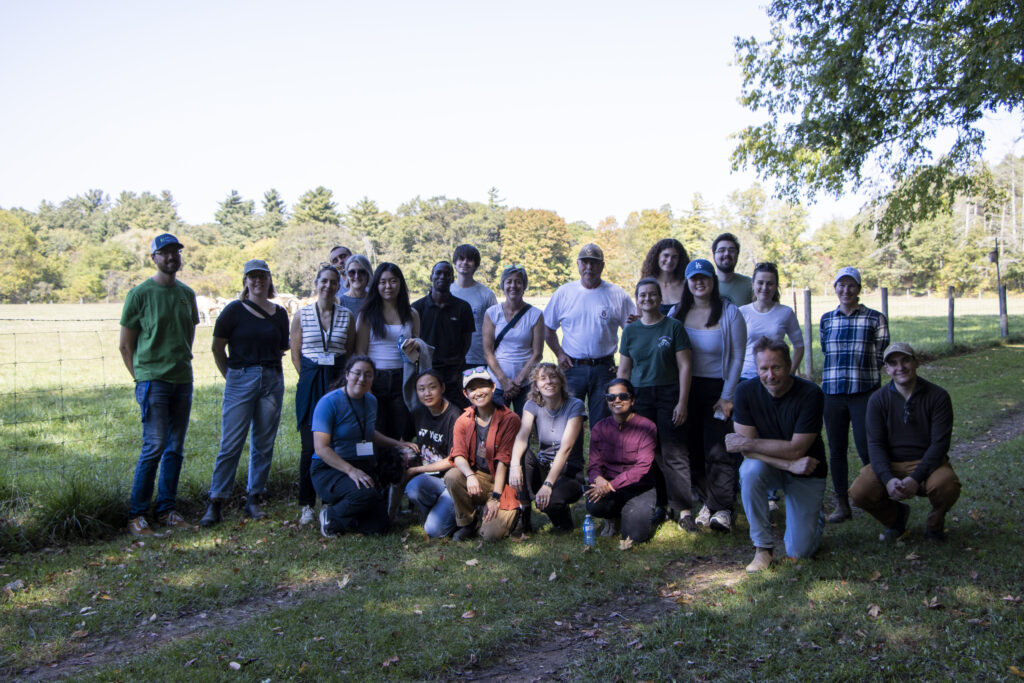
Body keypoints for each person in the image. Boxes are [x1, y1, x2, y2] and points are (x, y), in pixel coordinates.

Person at [118, 233, 199, 537]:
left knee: (175, 448)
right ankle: (136, 515)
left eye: (175, 251)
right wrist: (141, 378)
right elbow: (126, 346)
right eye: (164, 253)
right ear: (153, 258)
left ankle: (167, 510)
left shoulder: (186, 294)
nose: (171, 257)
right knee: (154, 446)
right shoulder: (140, 294)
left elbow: (188, 333)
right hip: (153, 382)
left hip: (182, 380)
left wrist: (182, 361)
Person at [200, 260, 290, 526]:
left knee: (263, 443)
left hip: (272, 380)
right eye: (252, 277)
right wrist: (232, 377)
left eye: (262, 276)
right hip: (241, 377)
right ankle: (216, 500)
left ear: (269, 280)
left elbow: (281, 348)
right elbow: (217, 349)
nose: (258, 281)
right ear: (245, 281)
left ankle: (254, 497)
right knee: (231, 443)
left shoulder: (280, 314)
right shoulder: (233, 311)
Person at [727, 338, 828, 572]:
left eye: (776, 367)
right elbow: (745, 449)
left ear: (789, 365)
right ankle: (763, 549)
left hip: (807, 469)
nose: (770, 375)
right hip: (782, 466)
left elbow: (797, 449)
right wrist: (788, 464)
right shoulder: (745, 391)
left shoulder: (811, 393)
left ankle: (814, 516)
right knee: (749, 470)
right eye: (764, 368)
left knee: (800, 552)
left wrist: (752, 444)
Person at [849, 343, 960, 541]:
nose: (900, 368)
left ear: (916, 362)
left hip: (928, 463)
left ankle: (935, 523)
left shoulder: (938, 396)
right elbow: (875, 444)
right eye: (893, 363)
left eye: (905, 360)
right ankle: (895, 518)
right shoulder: (877, 400)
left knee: (947, 484)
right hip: (891, 463)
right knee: (859, 491)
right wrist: (887, 478)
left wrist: (915, 478)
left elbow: (939, 445)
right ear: (887, 369)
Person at [671, 259, 746, 532]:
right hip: (686, 390)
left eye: (704, 278)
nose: (699, 282)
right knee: (692, 450)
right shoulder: (677, 314)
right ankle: (709, 503)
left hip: (718, 390)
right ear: (687, 283)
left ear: (713, 282)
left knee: (719, 449)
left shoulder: (730, 313)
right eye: (694, 278)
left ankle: (724, 508)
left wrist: (727, 396)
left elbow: (738, 356)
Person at [311, 356, 417, 536]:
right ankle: (331, 515)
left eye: (368, 375)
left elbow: (369, 433)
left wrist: (398, 443)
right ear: (347, 375)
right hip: (330, 468)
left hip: (360, 464)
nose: (362, 379)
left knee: (379, 527)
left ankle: (349, 511)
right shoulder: (328, 403)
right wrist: (350, 470)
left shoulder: (370, 400)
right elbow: (321, 449)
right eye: (357, 373)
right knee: (365, 494)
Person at [618, 278, 694, 530]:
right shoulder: (630, 331)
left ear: (660, 299)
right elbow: (625, 370)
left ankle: (683, 508)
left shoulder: (673, 327)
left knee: (675, 453)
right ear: (637, 300)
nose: (647, 299)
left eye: (652, 295)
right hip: (641, 397)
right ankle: (660, 504)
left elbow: (685, 366)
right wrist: (621, 403)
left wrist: (682, 401)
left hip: (670, 394)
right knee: (649, 454)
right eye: (642, 295)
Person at [820, 266, 890, 523]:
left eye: (851, 285)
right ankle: (842, 504)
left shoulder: (875, 318)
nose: (846, 290)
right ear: (835, 287)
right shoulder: (827, 319)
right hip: (833, 393)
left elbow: (881, 355)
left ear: (859, 289)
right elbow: (828, 352)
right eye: (841, 285)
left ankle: (877, 498)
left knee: (867, 447)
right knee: (836, 450)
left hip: (865, 392)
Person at [289, 263, 354, 526]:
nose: (328, 286)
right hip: (311, 382)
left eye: (333, 282)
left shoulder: (347, 316)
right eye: (323, 281)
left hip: (337, 383)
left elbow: (348, 353)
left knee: (336, 443)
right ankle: (306, 503)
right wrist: (309, 379)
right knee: (309, 447)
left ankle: (331, 497)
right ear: (316, 284)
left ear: (339, 285)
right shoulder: (301, 315)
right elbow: (296, 355)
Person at [544, 243, 635, 425]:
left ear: (602, 265)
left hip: (604, 369)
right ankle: (573, 455)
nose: (589, 267)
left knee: (602, 423)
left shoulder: (617, 295)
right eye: (584, 262)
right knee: (569, 421)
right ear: (578, 264)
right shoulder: (564, 293)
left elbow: (634, 332)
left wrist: (625, 367)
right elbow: (547, 328)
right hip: (572, 368)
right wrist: (559, 354)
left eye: (594, 263)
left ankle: (598, 455)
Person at [444, 369, 522, 541]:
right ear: (466, 393)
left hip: (504, 482)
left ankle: (516, 514)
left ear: (493, 387)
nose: (478, 392)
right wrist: (470, 475)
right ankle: (467, 524)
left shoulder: (510, 419)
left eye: (483, 386)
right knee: (453, 476)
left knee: (489, 535)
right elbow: (458, 455)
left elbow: (504, 460)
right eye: (472, 389)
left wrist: (495, 497)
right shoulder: (463, 420)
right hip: (480, 477)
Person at [508, 363, 586, 533]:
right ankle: (524, 516)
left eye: (553, 376)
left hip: (569, 471)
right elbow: (522, 436)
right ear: (536, 386)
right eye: (542, 378)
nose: (548, 382)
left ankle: (564, 522)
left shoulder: (575, 405)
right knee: (522, 455)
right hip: (544, 466)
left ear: (561, 381)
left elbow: (566, 448)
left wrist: (548, 484)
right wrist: (514, 465)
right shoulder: (532, 404)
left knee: (549, 502)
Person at [585, 378, 658, 544]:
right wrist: (599, 479)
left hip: (639, 487)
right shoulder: (599, 428)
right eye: (611, 397)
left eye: (622, 396)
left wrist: (610, 486)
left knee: (635, 537)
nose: (617, 400)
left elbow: (642, 468)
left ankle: (628, 513)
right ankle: (611, 517)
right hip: (609, 486)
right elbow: (594, 464)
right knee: (594, 505)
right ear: (607, 401)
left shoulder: (647, 427)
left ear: (632, 400)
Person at [354, 263, 422, 442]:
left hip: (403, 378)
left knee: (400, 430)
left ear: (400, 284)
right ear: (376, 285)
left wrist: (416, 346)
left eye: (393, 281)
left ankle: (399, 468)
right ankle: (376, 469)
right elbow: (360, 352)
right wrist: (366, 383)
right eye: (383, 282)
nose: (388, 286)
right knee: (376, 428)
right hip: (375, 378)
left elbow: (418, 350)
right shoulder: (367, 315)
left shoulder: (412, 314)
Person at [403, 370, 461, 538]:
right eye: (421, 389)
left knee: (434, 531)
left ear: (442, 388)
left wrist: (416, 470)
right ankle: (436, 511)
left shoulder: (454, 416)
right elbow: (403, 438)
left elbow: (453, 460)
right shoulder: (418, 412)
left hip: (451, 479)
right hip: (429, 479)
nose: (426, 393)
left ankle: (461, 513)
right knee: (413, 488)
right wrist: (403, 444)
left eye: (432, 387)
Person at [412, 261, 475, 409]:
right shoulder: (416, 308)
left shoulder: (463, 307)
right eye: (438, 273)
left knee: (457, 415)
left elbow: (466, 343)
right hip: (426, 371)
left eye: (447, 274)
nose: (442, 277)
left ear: (452, 279)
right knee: (428, 414)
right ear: (431, 277)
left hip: (454, 373)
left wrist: (456, 366)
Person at [482, 265, 544, 414]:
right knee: (495, 427)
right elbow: (487, 351)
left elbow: (537, 353)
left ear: (524, 286)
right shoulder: (492, 313)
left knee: (523, 429)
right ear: (503, 285)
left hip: (525, 385)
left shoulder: (536, 315)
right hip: (496, 382)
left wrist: (518, 381)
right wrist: (504, 381)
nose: (513, 286)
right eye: (509, 281)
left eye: (518, 282)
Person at [738, 262, 804, 380]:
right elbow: (732, 348)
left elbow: (799, 346)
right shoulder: (742, 312)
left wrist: (790, 372)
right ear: (753, 284)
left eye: (770, 284)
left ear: (776, 286)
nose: (764, 287)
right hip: (747, 376)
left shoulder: (786, 312)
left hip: (775, 377)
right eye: (760, 283)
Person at [450, 244, 498, 370]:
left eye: (469, 259)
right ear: (454, 262)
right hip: (451, 358)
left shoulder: (486, 294)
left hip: (479, 358)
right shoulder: (447, 292)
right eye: (461, 258)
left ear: (476, 265)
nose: (465, 262)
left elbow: (496, 327)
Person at [639, 238, 689, 314]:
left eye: (674, 257)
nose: (669, 260)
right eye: (666, 255)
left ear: (679, 260)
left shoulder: (687, 285)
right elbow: (641, 317)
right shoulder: (646, 285)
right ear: (657, 257)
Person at [712, 232, 753, 307]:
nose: (727, 254)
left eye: (731, 250)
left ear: (737, 255)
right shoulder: (705, 284)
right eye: (721, 250)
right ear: (714, 256)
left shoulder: (750, 285)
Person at [337, 254, 372, 319]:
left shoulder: (375, 301)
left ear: (368, 274)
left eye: (361, 272)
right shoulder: (339, 303)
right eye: (352, 272)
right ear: (347, 275)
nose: (356, 276)